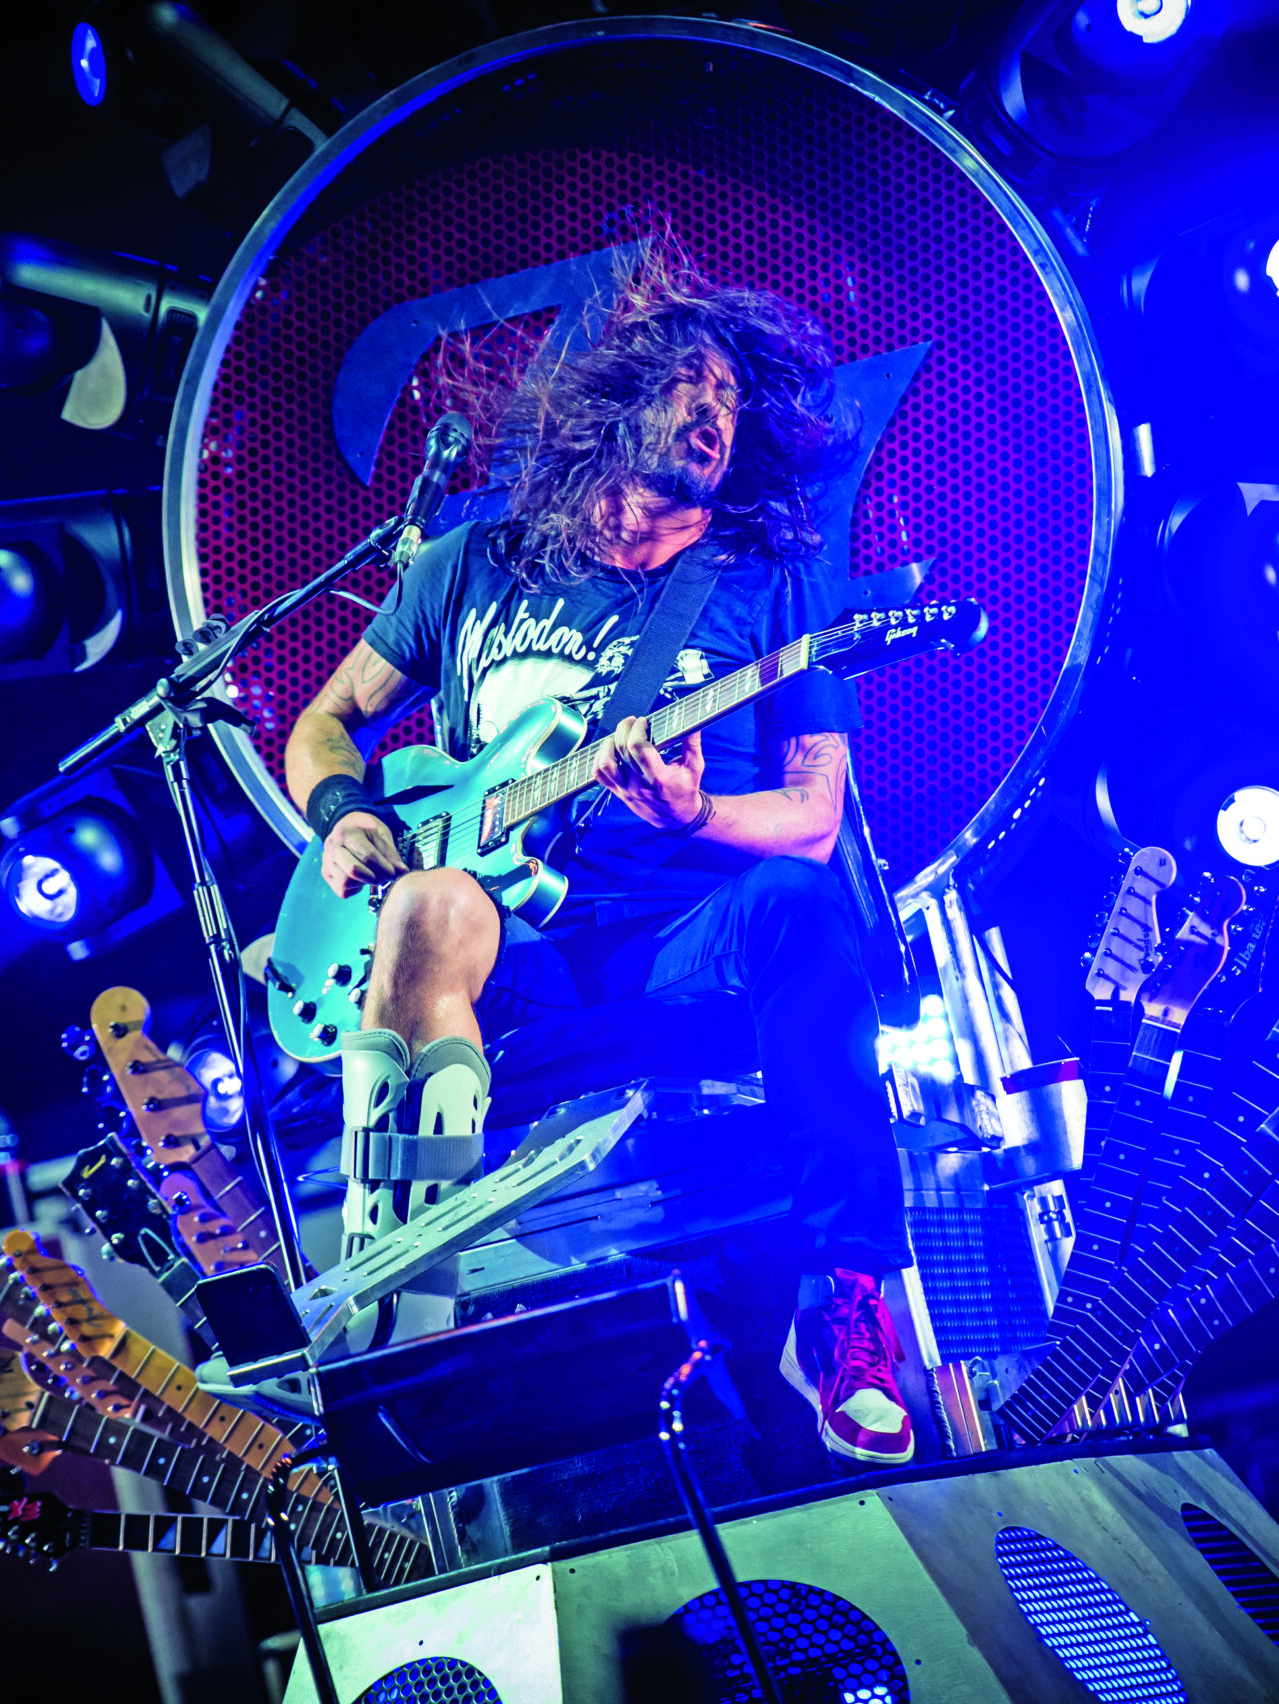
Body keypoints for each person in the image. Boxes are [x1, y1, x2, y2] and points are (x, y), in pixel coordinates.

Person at [283, 248, 916, 1464]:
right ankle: (391, 1272)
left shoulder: (767, 588)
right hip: (506, 954)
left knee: (796, 900)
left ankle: (850, 1300)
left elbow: (814, 816)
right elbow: (323, 723)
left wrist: (694, 819)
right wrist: (341, 812)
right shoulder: (465, 565)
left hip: (681, 943)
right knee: (423, 899)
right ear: (615, 395)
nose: (714, 416)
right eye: (692, 384)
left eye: (734, 404)